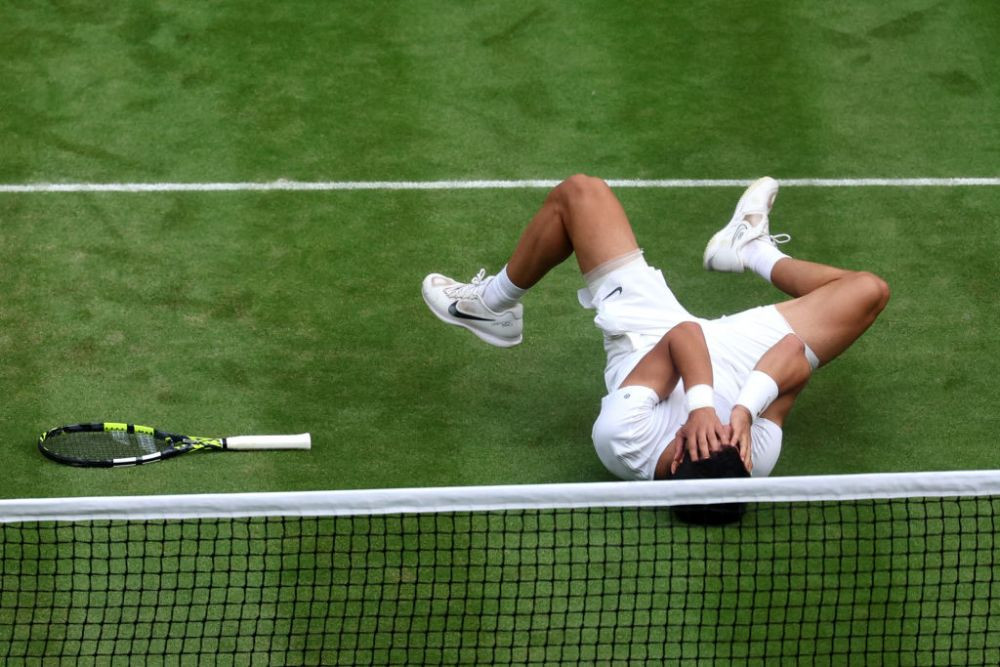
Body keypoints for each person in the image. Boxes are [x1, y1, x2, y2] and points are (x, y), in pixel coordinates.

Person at [421, 176, 889, 482]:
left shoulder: (624, 441)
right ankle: (748, 250)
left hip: (650, 340)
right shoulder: (753, 459)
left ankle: (492, 306)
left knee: (581, 195)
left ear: (678, 454)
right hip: (739, 364)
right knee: (867, 291)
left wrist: (701, 410)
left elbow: (682, 336)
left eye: (714, 439)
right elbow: (791, 355)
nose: (724, 436)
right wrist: (744, 412)